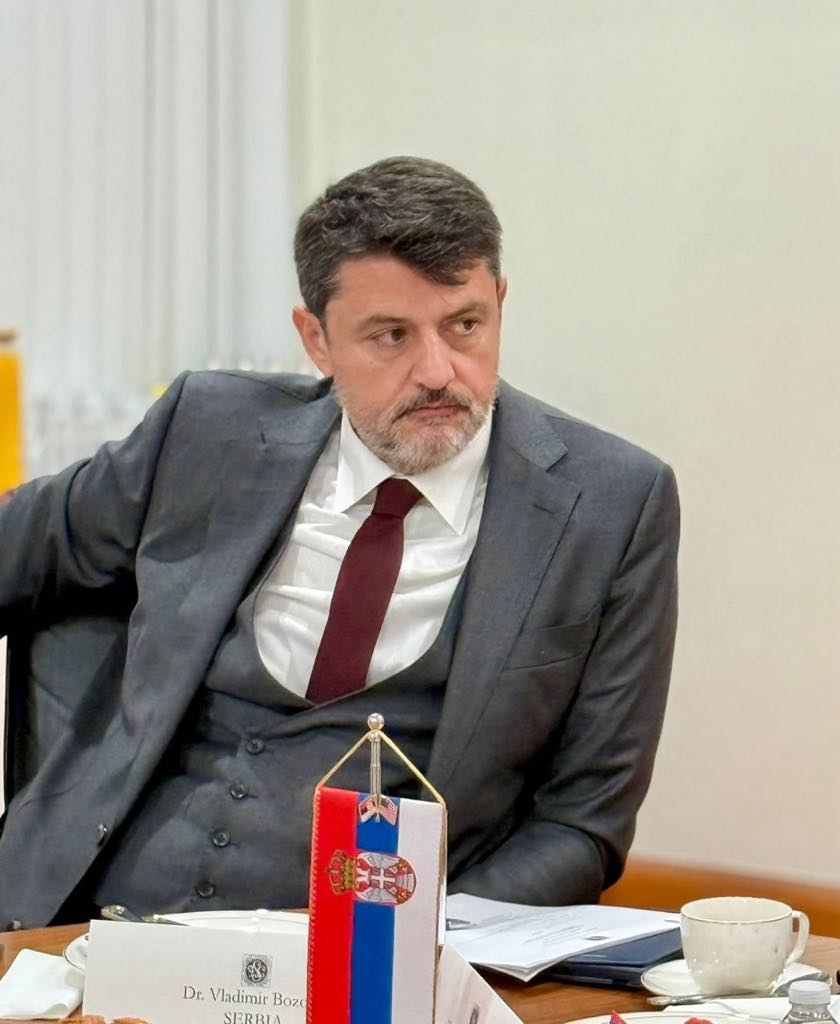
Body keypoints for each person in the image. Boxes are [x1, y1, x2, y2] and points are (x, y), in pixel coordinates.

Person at [0, 157, 679, 929]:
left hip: (378, 957)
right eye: (391, 335)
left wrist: (419, 945)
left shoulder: (610, 505)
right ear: (316, 339)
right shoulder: (206, 431)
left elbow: (581, 826)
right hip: (86, 930)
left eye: (464, 325)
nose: (438, 371)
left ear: (499, 302)